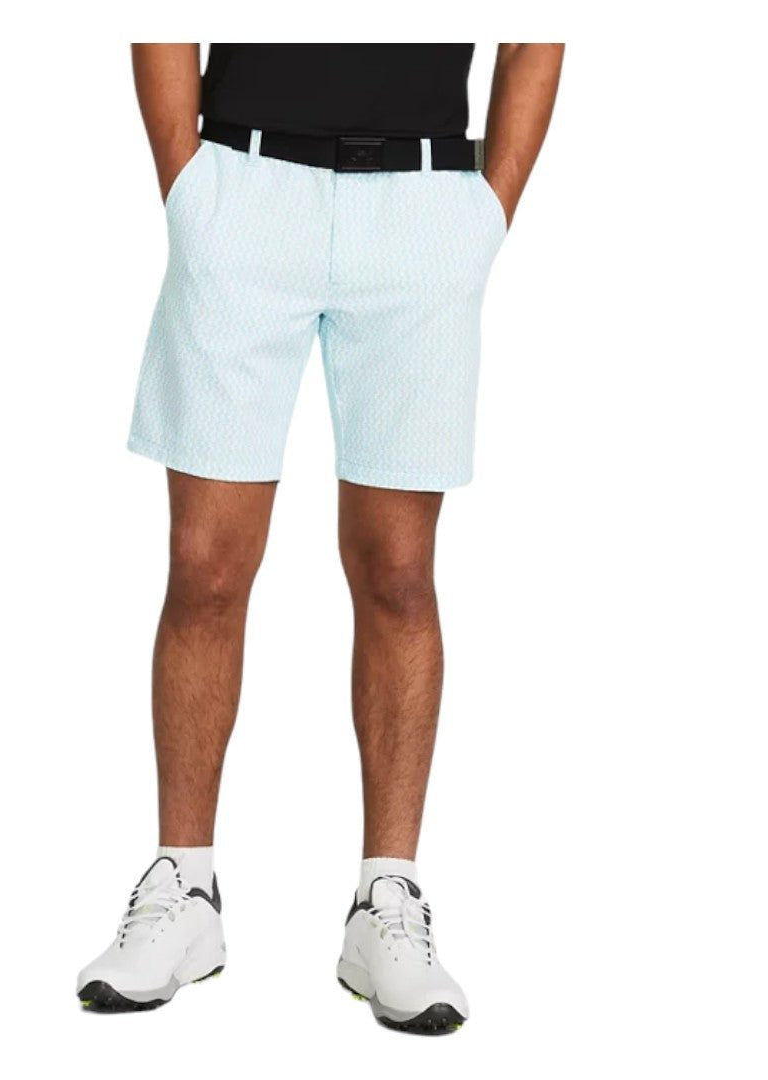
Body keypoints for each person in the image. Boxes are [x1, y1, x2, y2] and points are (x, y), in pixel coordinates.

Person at [78, 43, 564, 1034]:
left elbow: (536, 31)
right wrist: (186, 180)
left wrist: (487, 210)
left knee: (399, 574)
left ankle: (387, 899)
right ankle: (186, 886)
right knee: (205, 566)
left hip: (423, 202)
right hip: (244, 183)